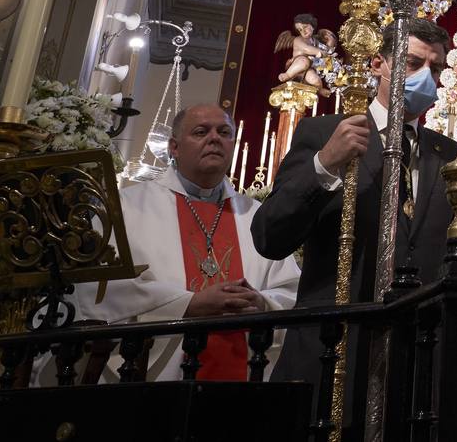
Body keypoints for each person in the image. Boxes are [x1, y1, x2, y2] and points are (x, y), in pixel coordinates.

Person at [252, 20, 457, 432]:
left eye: (435, 71)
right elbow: (269, 236)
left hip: (415, 364)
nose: (426, 79)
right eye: (414, 64)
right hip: (336, 350)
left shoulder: (447, 154)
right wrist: (324, 164)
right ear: (379, 63)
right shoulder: (326, 133)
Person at [68, 104, 300, 381]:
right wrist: (188, 305)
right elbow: (98, 289)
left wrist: (261, 303)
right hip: (150, 375)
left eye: (224, 132)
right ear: (174, 148)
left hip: (246, 373)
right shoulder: (125, 209)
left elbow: (292, 291)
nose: (214, 138)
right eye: (201, 131)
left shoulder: (258, 216)